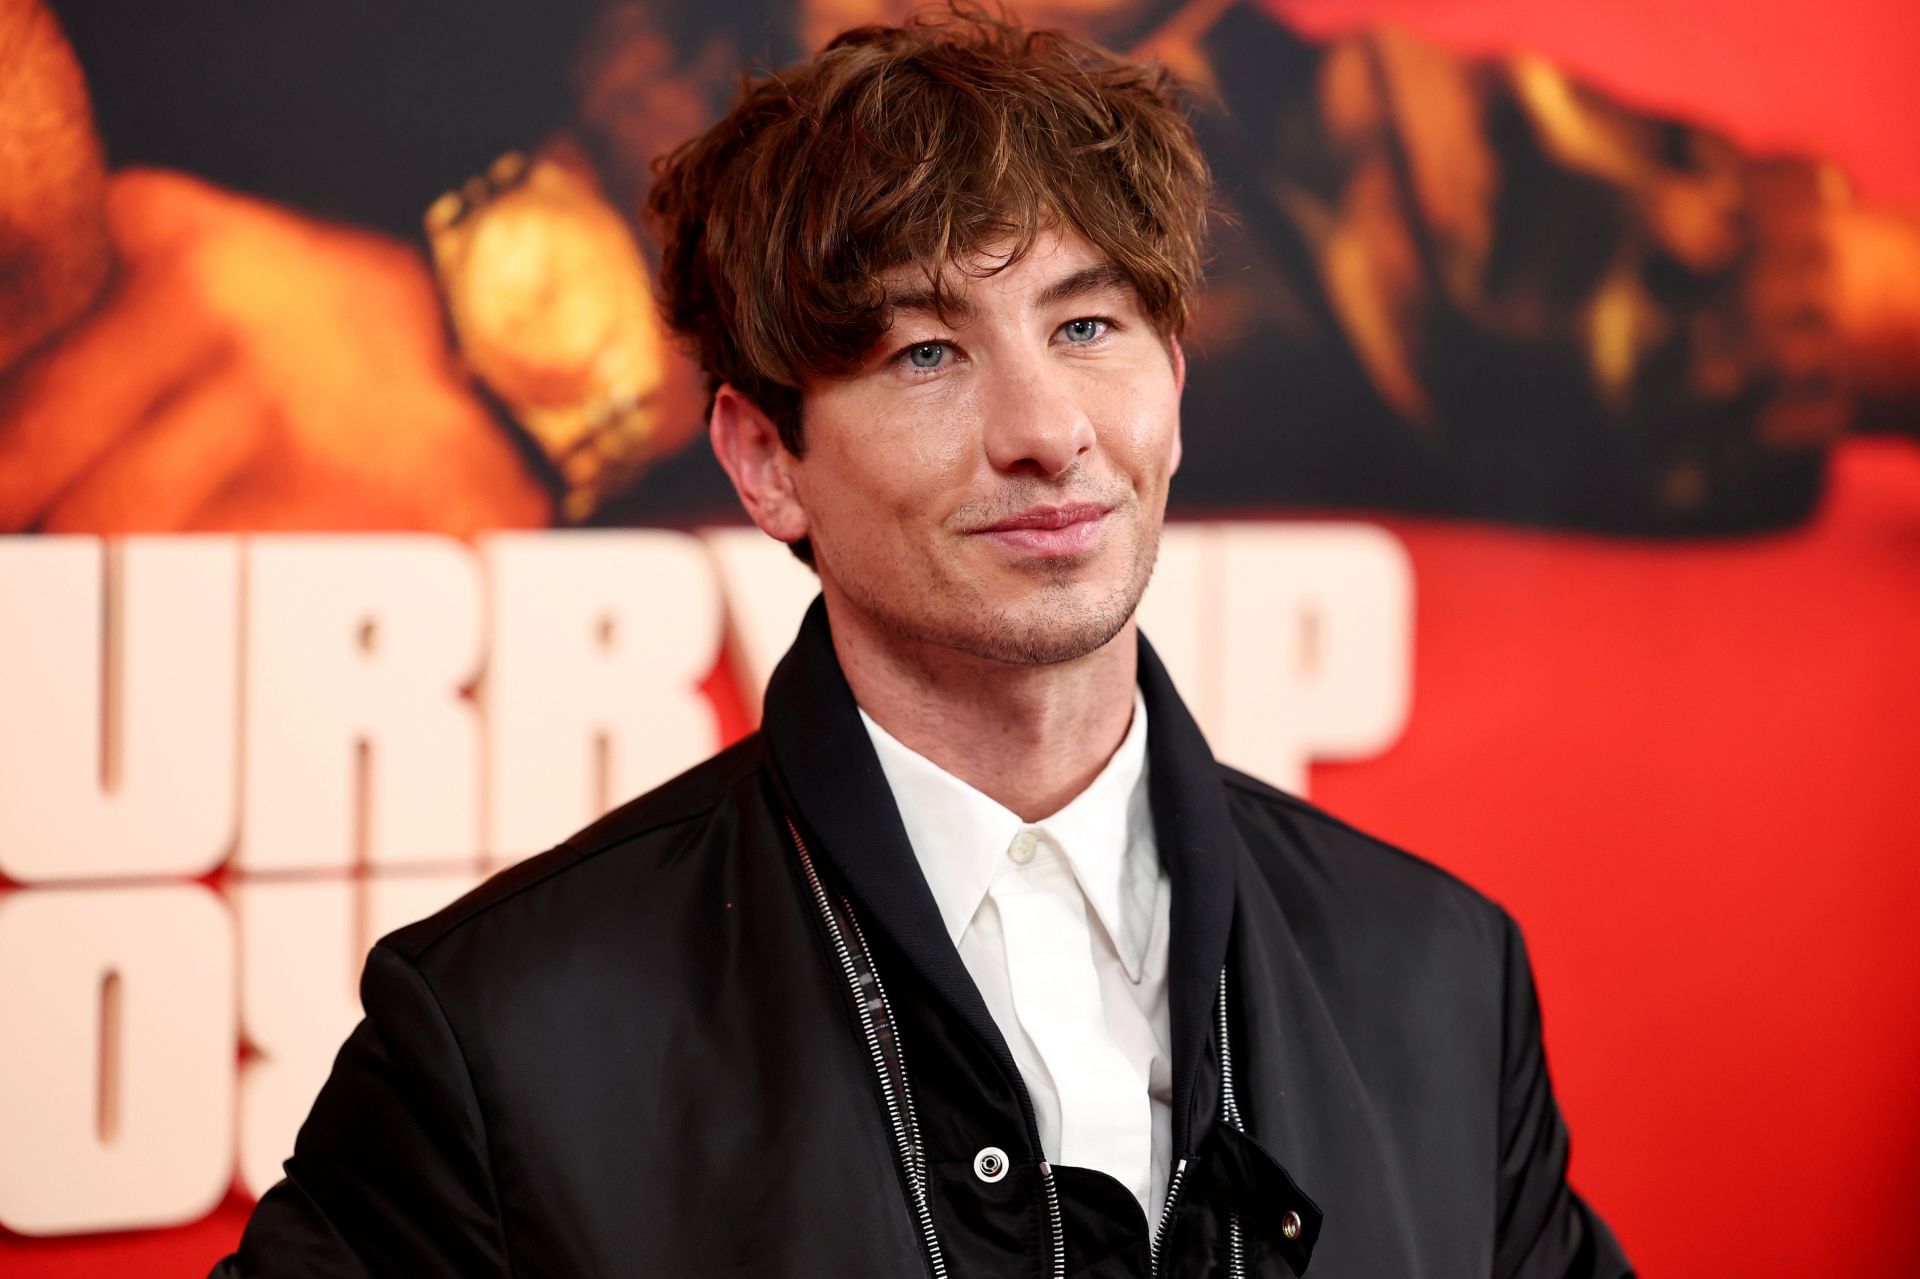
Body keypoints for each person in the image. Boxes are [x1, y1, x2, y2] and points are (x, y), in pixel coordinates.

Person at [213, 8, 1629, 1276]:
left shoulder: (1439, 974)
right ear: (766, 461)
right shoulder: (503, 1040)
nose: (1047, 432)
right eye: (927, 355)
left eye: (1087, 325)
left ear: (1176, 394)